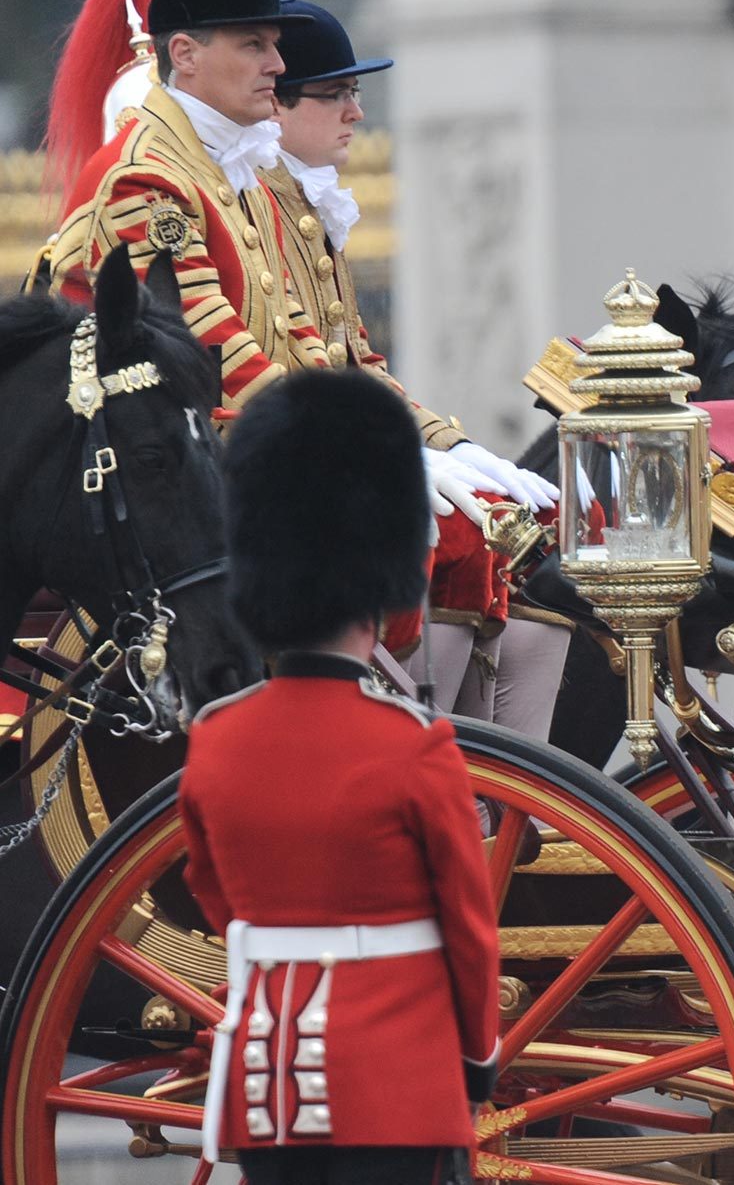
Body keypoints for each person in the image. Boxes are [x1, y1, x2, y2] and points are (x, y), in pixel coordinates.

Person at [181, 370, 499, 1183]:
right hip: (398, 1090)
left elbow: (214, 892)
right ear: (377, 601)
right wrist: (479, 1055)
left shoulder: (215, 741)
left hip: (266, 1093)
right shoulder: (415, 745)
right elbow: (469, 930)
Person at [262, 0, 566, 730]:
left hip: (330, 443)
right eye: (335, 94)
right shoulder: (255, 210)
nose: (355, 113)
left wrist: (452, 445)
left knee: (545, 532)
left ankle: (508, 781)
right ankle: (426, 760)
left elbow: (359, 365)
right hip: (285, 462)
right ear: (276, 108)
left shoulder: (308, 209)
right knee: (458, 540)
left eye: (354, 93)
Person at [50, 0, 325, 416]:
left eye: (274, 46)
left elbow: (295, 327)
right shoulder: (142, 176)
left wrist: (359, 418)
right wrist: (336, 436)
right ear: (185, 54)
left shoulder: (238, 165)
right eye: (253, 45)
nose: (278, 66)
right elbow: (208, 346)